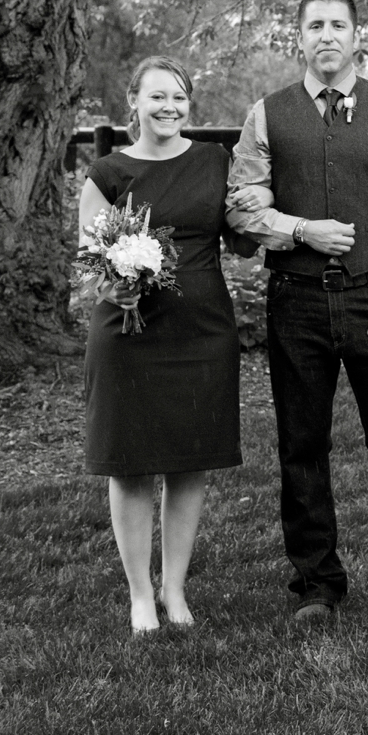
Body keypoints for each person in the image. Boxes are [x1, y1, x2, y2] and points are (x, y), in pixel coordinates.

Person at [225, 0, 368, 622]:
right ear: (298, 38)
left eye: (338, 26)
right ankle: (317, 585)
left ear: (357, 38)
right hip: (295, 303)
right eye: (315, 26)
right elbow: (241, 207)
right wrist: (300, 229)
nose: (327, 36)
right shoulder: (267, 115)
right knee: (302, 445)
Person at [79, 56, 243, 635]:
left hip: (202, 330)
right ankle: (140, 594)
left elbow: (243, 231)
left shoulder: (214, 161)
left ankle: (175, 590)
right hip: (129, 335)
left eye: (178, 98)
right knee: (129, 466)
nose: (169, 107)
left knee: (189, 461)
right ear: (134, 103)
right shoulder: (107, 172)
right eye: (156, 98)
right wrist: (116, 283)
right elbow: (90, 260)